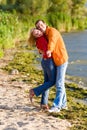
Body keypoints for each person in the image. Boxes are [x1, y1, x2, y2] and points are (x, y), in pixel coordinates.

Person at [35, 20, 68, 113]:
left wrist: (49, 50)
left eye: (41, 25)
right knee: (60, 83)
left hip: (61, 60)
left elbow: (52, 42)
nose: (40, 27)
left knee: (59, 83)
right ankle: (64, 104)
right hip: (54, 61)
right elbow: (42, 45)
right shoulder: (44, 35)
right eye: (38, 26)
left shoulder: (52, 31)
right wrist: (41, 50)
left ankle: (56, 106)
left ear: (45, 24)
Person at [28, 28, 56, 110]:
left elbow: (41, 50)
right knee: (52, 81)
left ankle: (43, 103)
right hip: (48, 62)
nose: (38, 33)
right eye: (35, 34)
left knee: (46, 83)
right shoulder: (42, 39)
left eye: (37, 31)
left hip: (44, 62)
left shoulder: (39, 40)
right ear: (35, 37)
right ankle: (34, 91)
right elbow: (46, 49)